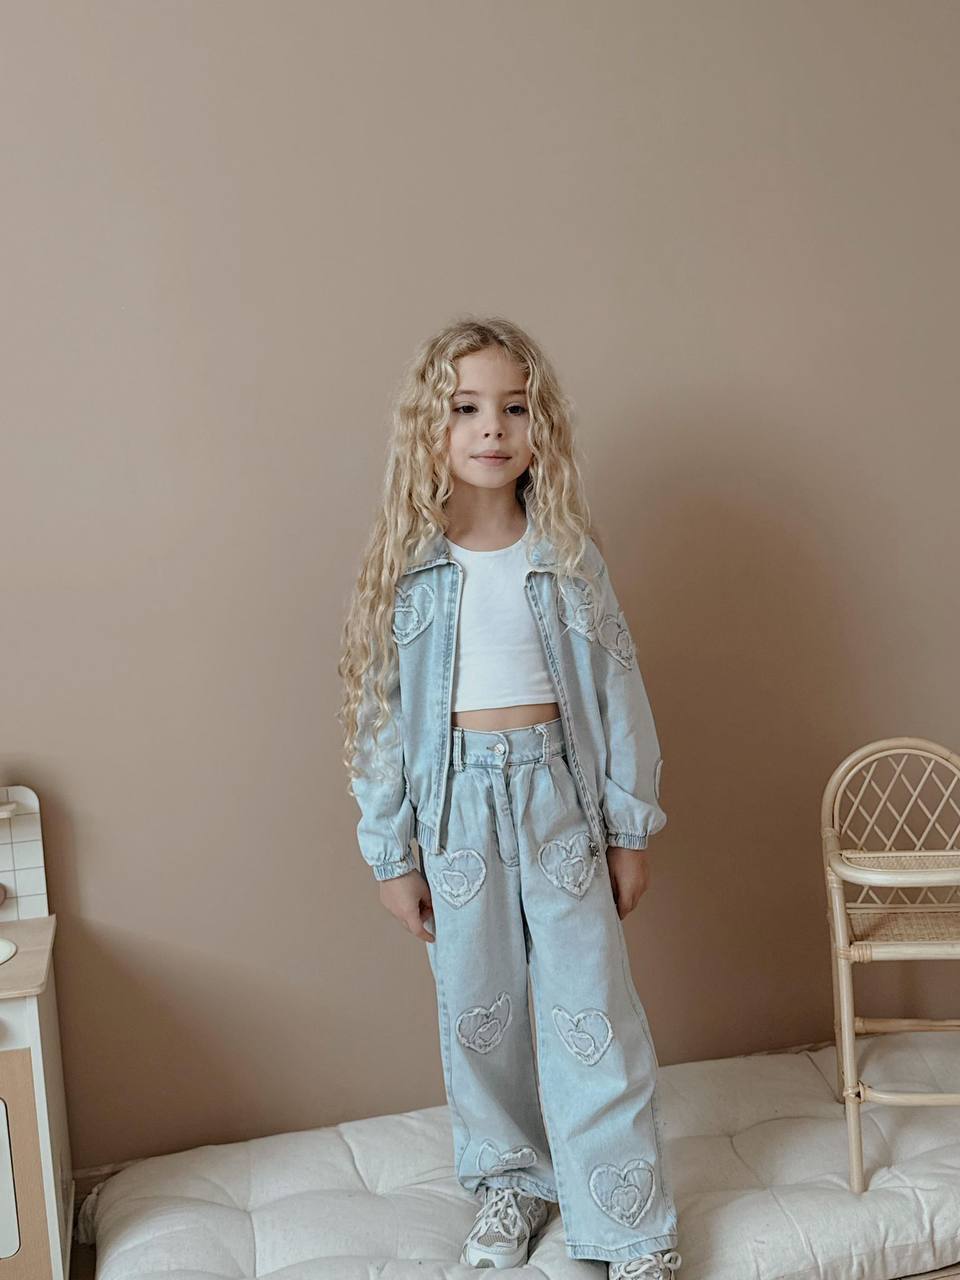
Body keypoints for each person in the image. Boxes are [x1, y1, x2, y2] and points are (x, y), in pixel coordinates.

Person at [337, 315, 681, 1278]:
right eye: (466, 408)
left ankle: (627, 1221)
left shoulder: (565, 556)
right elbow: (376, 717)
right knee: (478, 1011)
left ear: (541, 426)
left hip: (557, 800)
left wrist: (629, 829)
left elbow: (618, 692)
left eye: (515, 408)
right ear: (431, 427)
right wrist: (391, 854)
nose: (492, 427)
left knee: (590, 1013)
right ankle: (511, 1184)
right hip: (455, 811)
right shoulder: (409, 571)